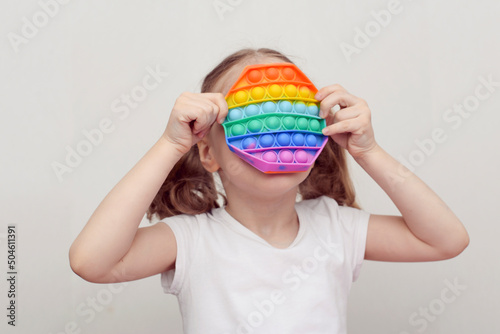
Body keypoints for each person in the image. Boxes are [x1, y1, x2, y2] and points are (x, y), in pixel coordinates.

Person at [69, 48, 469, 333]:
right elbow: (91, 262)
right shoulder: (192, 240)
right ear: (208, 152)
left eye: (290, 114)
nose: (272, 131)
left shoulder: (336, 229)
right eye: (251, 115)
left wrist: (370, 152)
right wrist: (171, 145)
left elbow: (446, 241)